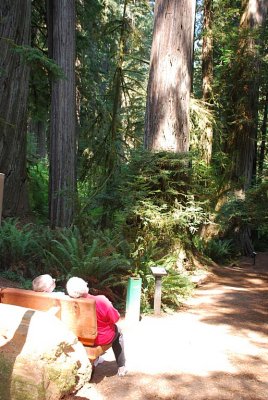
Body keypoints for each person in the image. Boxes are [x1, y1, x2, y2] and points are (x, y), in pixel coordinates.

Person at [66, 276, 127, 377]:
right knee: (118, 331)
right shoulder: (100, 300)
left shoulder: (67, 302)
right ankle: (121, 366)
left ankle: (97, 360)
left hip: (79, 337)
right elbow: (115, 318)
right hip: (100, 338)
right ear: (85, 286)